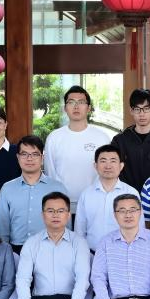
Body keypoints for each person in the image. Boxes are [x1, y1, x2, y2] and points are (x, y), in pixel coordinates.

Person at [43, 85, 112, 214]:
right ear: (65, 108)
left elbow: (107, 171)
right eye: (71, 102)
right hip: (62, 206)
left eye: (81, 102)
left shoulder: (102, 138)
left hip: (95, 203)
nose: (76, 106)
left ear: (89, 108)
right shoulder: (54, 138)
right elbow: (50, 172)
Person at [0, 135, 67, 252]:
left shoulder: (57, 188)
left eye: (35, 154)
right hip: (15, 250)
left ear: (42, 157)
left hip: (50, 248)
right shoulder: (7, 189)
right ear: (18, 157)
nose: (29, 159)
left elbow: (66, 225)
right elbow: (2, 228)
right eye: (24, 154)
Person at [74, 145, 138, 252]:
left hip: (124, 254)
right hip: (92, 255)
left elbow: (139, 228)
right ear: (95, 165)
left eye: (113, 161)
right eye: (103, 161)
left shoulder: (131, 193)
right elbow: (79, 231)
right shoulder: (86, 194)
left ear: (121, 166)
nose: (108, 166)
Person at [112, 88, 150, 192]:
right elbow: (114, 169)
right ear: (131, 111)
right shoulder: (120, 141)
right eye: (137, 109)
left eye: (146, 108)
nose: (141, 114)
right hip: (128, 195)